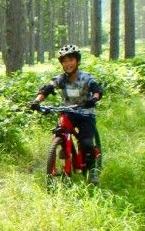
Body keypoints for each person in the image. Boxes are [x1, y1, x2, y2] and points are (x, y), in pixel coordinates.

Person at [29, 44, 103, 185]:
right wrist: (36, 101)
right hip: (68, 111)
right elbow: (47, 88)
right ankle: (64, 146)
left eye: (71, 60)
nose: (68, 64)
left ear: (77, 61)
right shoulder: (61, 78)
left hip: (85, 113)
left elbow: (97, 89)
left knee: (86, 143)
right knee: (60, 130)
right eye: (64, 61)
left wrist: (94, 99)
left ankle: (92, 169)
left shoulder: (86, 78)